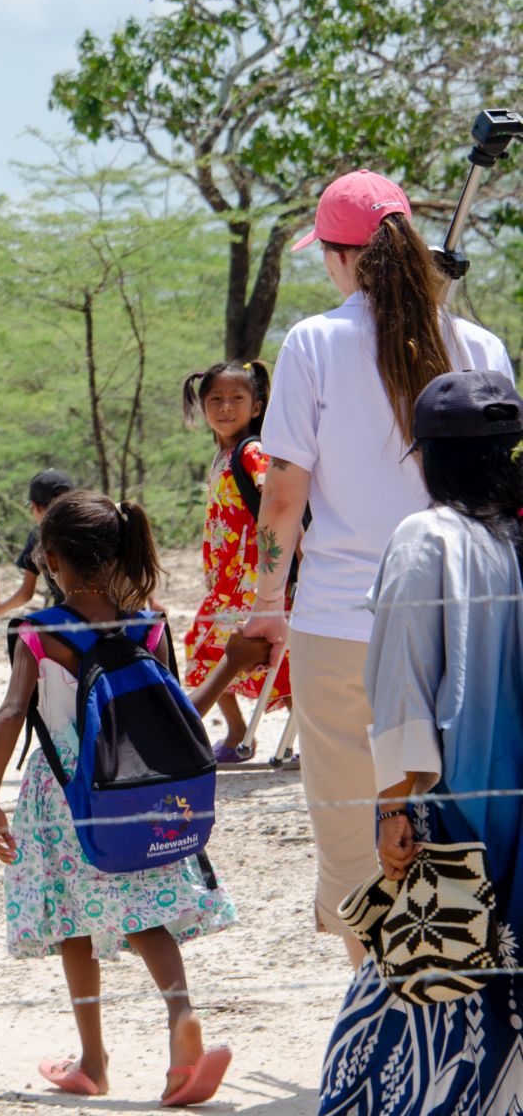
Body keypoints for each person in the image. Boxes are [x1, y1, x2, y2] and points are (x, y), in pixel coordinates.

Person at [245, 169, 513, 962]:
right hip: (470, 620)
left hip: (342, 623)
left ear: (340, 257)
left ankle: (379, 1014)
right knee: (459, 819)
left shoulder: (315, 343)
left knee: (360, 838)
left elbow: (284, 496)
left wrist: (268, 602)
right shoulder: (483, 346)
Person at [0, 491, 254, 1106]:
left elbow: (10, 712)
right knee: (143, 913)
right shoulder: (148, 626)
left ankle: (96, 1060)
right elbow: (181, 714)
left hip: (65, 798)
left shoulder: (38, 632)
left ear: (50, 559)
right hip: (138, 787)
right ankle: (177, 1021)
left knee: (70, 922)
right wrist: (232, 665)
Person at [318, 370, 523, 1115]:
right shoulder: (515, 536)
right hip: (515, 810)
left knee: (422, 986)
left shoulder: (425, 537)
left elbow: (401, 680)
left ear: (427, 457)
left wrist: (391, 806)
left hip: (450, 809)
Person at [179, 361, 292, 762]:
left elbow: (277, 503)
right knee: (205, 649)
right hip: (226, 584)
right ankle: (238, 732)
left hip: (253, 581)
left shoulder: (252, 452)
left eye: (236, 399)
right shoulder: (224, 456)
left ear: (256, 407)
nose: (225, 407)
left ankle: (289, 740)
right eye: (215, 400)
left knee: (275, 657)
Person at [0, 469, 75, 618]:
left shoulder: (39, 536)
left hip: (67, 616)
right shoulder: (94, 523)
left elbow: (26, 594)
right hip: (111, 613)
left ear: (35, 506)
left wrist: (0, 609)